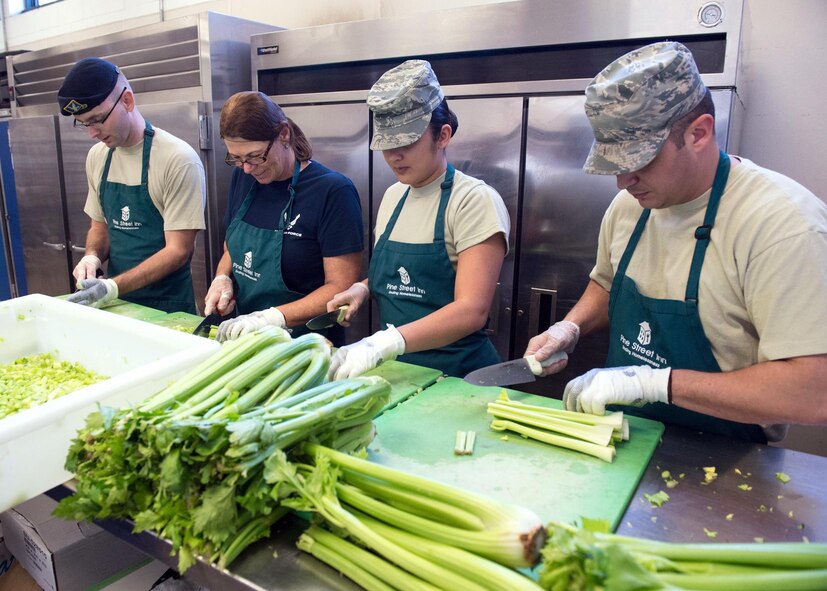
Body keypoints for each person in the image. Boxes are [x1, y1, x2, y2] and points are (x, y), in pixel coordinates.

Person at [524, 41, 827, 442]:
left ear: (699, 133)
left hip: (725, 460)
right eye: (614, 165)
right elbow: (608, 283)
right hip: (620, 437)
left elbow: (813, 391)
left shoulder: (782, 225)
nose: (622, 181)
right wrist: (570, 327)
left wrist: (653, 384)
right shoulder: (627, 207)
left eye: (639, 161)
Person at [328, 60, 510, 380]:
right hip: (401, 372)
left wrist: (387, 341)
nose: (394, 156)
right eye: (388, 145)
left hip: (458, 377)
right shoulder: (393, 196)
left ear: (443, 135)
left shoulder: (473, 201)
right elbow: (403, 277)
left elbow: (472, 310)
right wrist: (363, 289)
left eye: (407, 143)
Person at [208, 91, 363, 346]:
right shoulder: (243, 179)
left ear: (283, 134)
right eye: (237, 159)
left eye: (255, 156)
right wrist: (222, 278)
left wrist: (273, 317)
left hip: (307, 346)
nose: (247, 168)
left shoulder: (333, 191)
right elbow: (233, 246)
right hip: (245, 338)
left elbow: (340, 285)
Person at [58, 58, 206, 313]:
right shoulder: (98, 156)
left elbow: (178, 251)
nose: (92, 132)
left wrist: (113, 287)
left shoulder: (177, 159)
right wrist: (91, 255)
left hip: (168, 312)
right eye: (83, 123)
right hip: (117, 306)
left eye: (98, 119)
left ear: (127, 101)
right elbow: (100, 227)